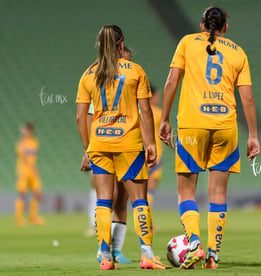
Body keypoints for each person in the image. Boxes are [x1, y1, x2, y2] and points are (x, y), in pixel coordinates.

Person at [159, 6, 260, 269]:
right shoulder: (238, 52)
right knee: (217, 193)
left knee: (186, 191)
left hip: (192, 126)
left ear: (203, 26)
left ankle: (194, 244)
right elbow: (247, 97)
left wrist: (164, 118)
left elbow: (171, 82)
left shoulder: (187, 43)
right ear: (225, 27)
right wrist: (253, 136)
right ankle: (213, 255)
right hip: (227, 126)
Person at [76, 25, 170, 270]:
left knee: (103, 201)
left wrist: (88, 149)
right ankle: (147, 254)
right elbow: (146, 110)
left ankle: (105, 256)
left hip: (99, 143)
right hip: (128, 142)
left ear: (100, 44)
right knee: (139, 200)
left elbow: (81, 117)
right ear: (121, 42)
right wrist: (150, 143)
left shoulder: (88, 74)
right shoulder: (135, 71)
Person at [81, 47, 134, 264]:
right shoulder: (99, 85)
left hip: (127, 146)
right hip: (104, 146)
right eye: (122, 60)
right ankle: (102, 247)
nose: (125, 64)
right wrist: (87, 150)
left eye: (128, 61)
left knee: (122, 199)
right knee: (107, 197)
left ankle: (116, 250)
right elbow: (88, 117)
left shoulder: (130, 86)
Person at [15, 122, 45, 226]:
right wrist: (34, 168)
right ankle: (19, 219)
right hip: (23, 171)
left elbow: (32, 157)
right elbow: (24, 158)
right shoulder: (21, 143)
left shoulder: (35, 142)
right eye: (25, 130)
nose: (27, 132)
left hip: (32, 172)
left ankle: (32, 217)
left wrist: (34, 168)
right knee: (22, 194)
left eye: (29, 130)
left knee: (37, 194)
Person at [147, 86, 163, 209]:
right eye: (157, 96)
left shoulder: (138, 111)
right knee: (150, 189)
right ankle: (147, 222)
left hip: (140, 153)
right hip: (155, 155)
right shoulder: (158, 113)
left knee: (140, 192)